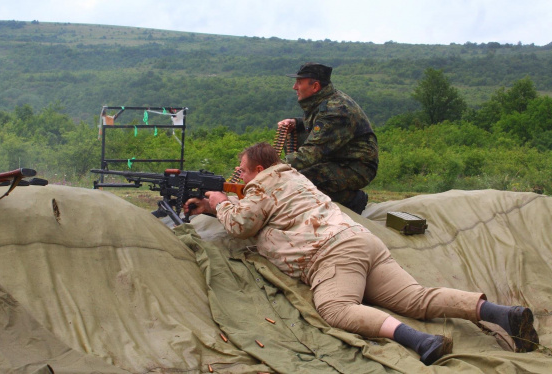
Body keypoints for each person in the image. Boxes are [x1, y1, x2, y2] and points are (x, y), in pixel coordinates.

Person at [184, 142, 539, 366]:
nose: (239, 177)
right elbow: (269, 211)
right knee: (416, 298)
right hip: (360, 241)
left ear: (258, 171)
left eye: (242, 171)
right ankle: (502, 314)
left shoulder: (260, 187)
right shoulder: (293, 177)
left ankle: (420, 341)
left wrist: (222, 202)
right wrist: (218, 205)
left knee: (335, 309)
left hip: (330, 255)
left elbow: (241, 226)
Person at [278, 62, 378, 214]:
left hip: (356, 166)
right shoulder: (323, 101)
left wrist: (273, 168)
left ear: (315, 86)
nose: (294, 87)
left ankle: (351, 200)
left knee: (299, 182)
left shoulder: (336, 110)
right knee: (294, 171)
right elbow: (318, 124)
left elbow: (311, 153)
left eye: (299, 82)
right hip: (339, 157)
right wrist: (296, 123)